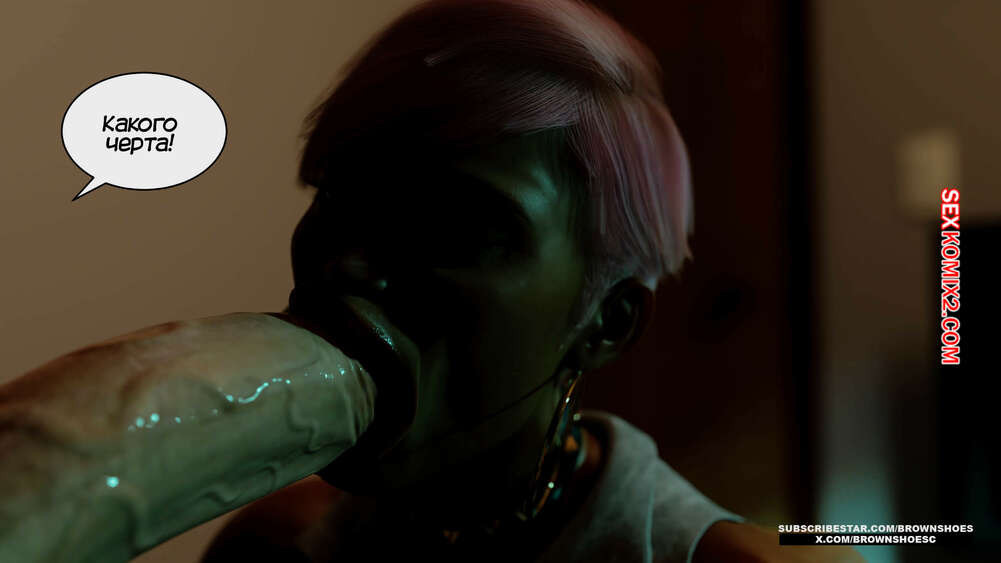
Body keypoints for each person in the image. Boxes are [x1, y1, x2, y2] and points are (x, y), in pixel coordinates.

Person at [202, 1, 864, 562]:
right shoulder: (274, 544)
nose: (347, 264)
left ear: (606, 323)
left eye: (458, 223)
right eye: (337, 195)